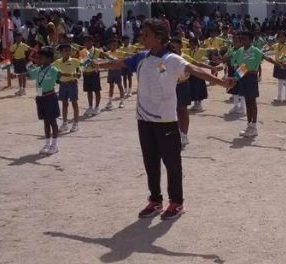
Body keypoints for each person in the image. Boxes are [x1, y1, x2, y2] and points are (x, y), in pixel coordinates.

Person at [92, 18, 233, 220]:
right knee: (150, 162)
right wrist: (98, 65)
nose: (141, 37)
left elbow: (195, 70)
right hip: (143, 119)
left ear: (158, 38)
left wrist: (220, 82)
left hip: (165, 121)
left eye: (146, 34)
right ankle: (155, 200)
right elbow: (119, 63)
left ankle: (176, 202)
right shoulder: (141, 57)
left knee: (172, 163)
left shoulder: (172, 59)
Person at [169, 37, 220, 149]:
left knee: (183, 110)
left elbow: (198, 64)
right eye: (171, 46)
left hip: (182, 85)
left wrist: (212, 67)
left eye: (175, 46)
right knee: (174, 111)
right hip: (170, 87)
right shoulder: (166, 58)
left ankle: (184, 135)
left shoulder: (184, 57)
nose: (173, 48)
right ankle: (177, 133)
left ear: (180, 47)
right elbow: (160, 68)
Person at [232, 31, 283, 137]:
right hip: (242, 77)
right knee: (247, 102)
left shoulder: (255, 50)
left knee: (252, 102)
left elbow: (267, 58)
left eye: (245, 39)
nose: (243, 41)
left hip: (251, 79)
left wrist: (279, 65)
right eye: (242, 39)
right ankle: (249, 126)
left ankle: (254, 127)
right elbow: (237, 63)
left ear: (251, 40)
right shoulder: (240, 50)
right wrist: (235, 77)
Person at [26, 47, 62, 155]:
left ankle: (54, 145)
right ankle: (47, 144)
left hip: (50, 97)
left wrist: (73, 75)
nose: (39, 60)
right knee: (46, 122)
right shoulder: (38, 69)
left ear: (49, 59)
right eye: (39, 57)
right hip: (40, 98)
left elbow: (61, 77)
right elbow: (29, 74)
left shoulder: (53, 70)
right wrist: (28, 64)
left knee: (52, 121)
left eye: (41, 58)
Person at [55, 44, 82, 133]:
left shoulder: (74, 61)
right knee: (64, 104)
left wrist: (79, 73)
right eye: (65, 50)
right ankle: (65, 123)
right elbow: (52, 69)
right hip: (63, 85)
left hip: (72, 84)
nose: (68, 52)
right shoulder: (57, 62)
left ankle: (76, 123)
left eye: (69, 50)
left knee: (74, 103)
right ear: (61, 52)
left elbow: (79, 69)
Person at [266, 31, 286, 104]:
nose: (280, 38)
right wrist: (267, 46)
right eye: (279, 37)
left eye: (282, 36)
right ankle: (279, 96)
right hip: (278, 63)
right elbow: (269, 48)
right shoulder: (276, 45)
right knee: (280, 80)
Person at [80, 36, 103, 116]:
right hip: (86, 73)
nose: (87, 43)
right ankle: (90, 107)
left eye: (89, 41)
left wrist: (98, 63)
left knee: (97, 91)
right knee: (89, 91)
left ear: (92, 42)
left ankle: (97, 107)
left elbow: (104, 59)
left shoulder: (98, 51)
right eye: (85, 41)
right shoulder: (82, 52)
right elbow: (81, 63)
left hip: (94, 73)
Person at [103, 38, 127, 110]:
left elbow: (126, 55)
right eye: (113, 45)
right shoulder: (107, 53)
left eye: (115, 45)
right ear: (109, 45)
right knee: (111, 86)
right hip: (110, 71)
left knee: (120, 85)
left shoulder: (119, 52)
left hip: (117, 71)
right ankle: (110, 101)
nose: (114, 46)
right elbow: (105, 61)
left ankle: (122, 101)